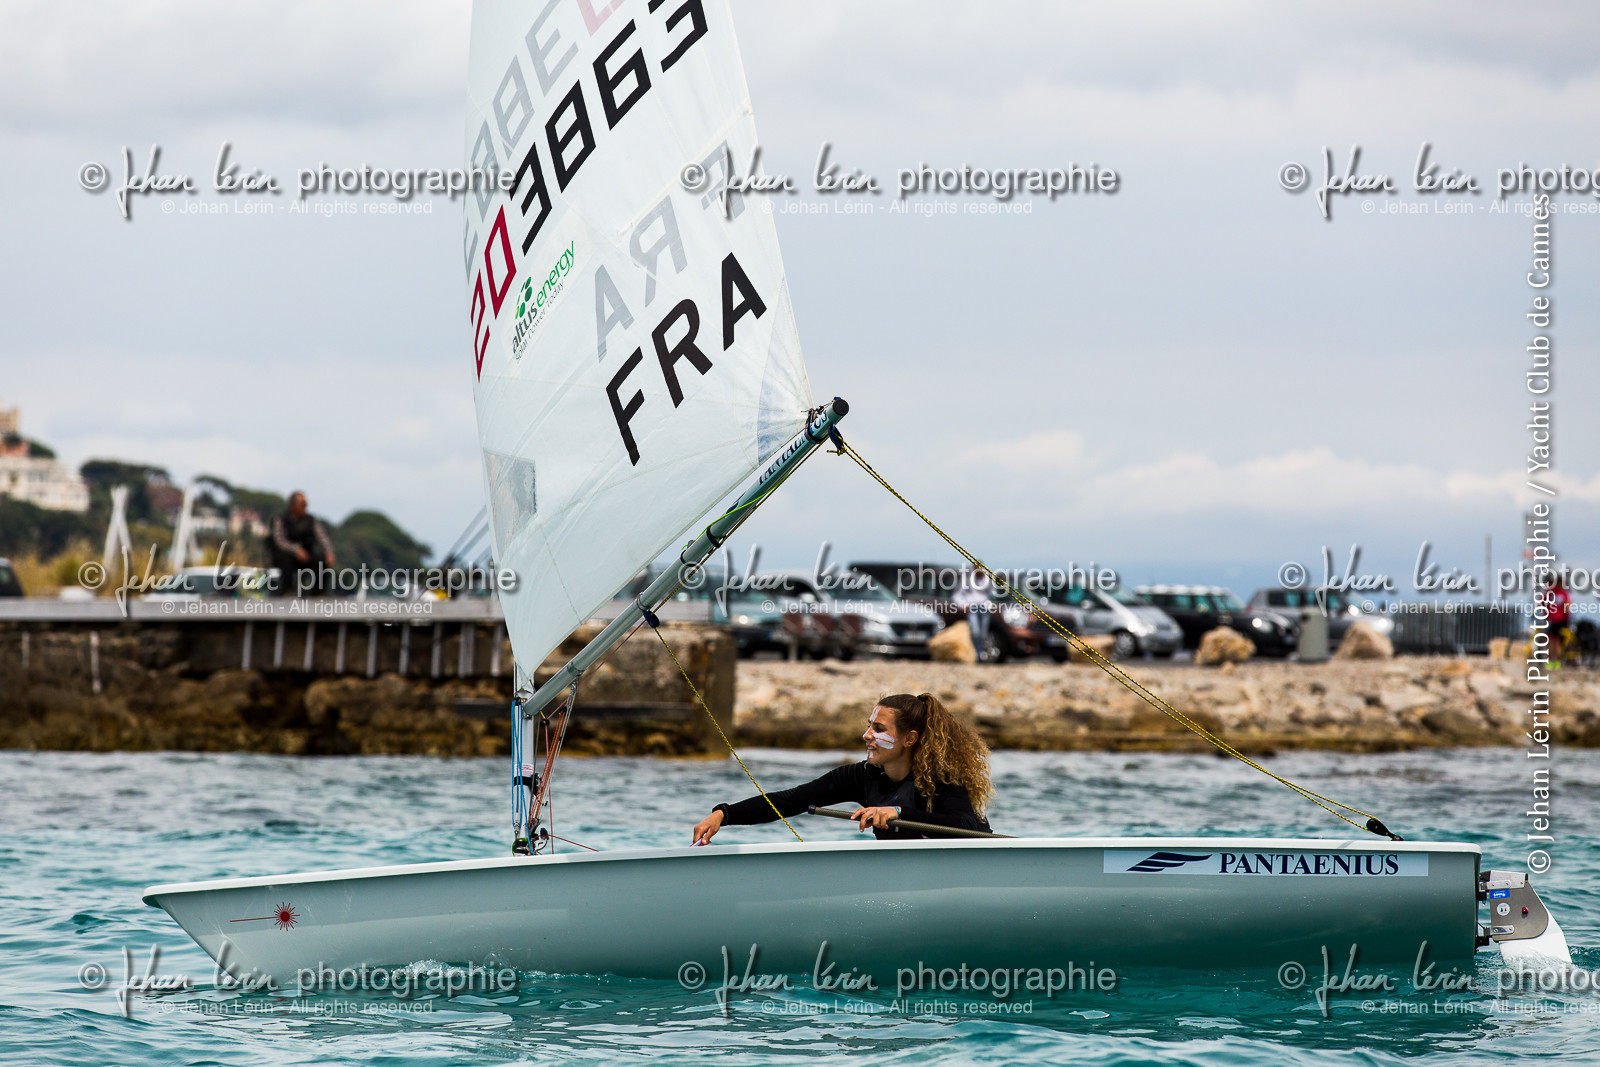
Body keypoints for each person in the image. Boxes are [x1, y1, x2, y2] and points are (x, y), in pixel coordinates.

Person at [691, 692, 994, 843]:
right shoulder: (860, 777)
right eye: (868, 726)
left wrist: (899, 814)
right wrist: (724, 814)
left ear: (909, 738)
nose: (867, 736)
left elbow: (966, 828)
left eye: (879, 729)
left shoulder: (942, 779)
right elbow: (791, 800)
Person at [270, 491, 335, 596]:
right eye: (302, 505)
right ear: (293, 505)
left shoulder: (311, 520)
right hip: (288, 554)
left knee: (322, 560)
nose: (305, 508)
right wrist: (296, 550)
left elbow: (322, 538)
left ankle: (318, 593)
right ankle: (287, 591)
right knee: (284, 559)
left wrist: (328, 552)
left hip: (307, 554)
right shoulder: (280, 520)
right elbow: (279, 540)